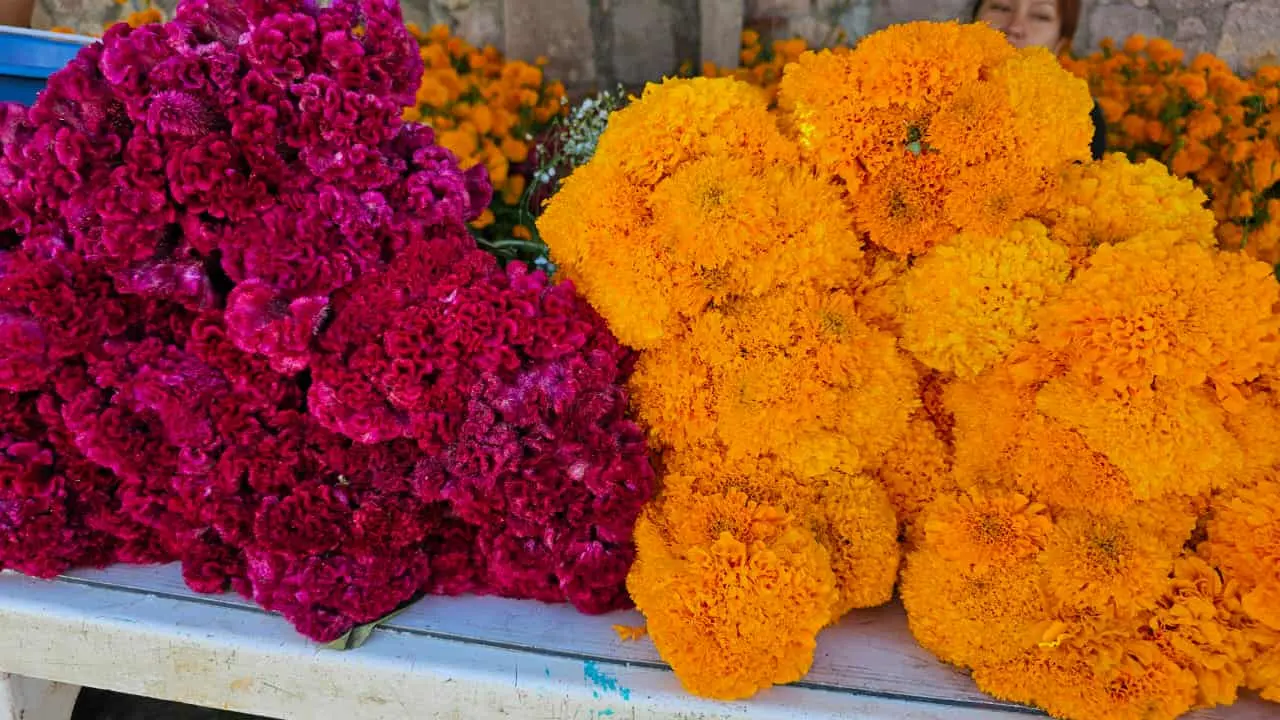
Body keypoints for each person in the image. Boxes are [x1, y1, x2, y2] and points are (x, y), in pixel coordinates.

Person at [972, 0, 1107, 160]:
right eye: (1001, 7)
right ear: (973, 19)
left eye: (1040, 16)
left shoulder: (1081, 118)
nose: (1015, 27)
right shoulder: (938, 89)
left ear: (1061, 42)